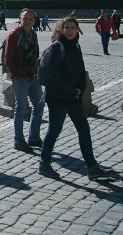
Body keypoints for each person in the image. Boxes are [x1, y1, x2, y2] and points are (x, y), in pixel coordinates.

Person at [38, 16, 108, 180]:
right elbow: (54, 75)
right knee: (54, 131)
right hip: (57, 98)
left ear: (77, 30)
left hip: (73, 98)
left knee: (84, 130)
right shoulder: (57, 47)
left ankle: (91, 166)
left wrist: (81, 89)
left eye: (73, 28)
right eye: (67, 28)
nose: (70, 31)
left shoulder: (76, 46)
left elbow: (81, 70)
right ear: (62, 30)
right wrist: (71, 91)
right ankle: (44, 164)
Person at [5, 8, 44, 152]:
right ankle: (19, 140)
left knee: (39, 105)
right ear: (20, 19)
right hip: (20, 76)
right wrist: (16, 74)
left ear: (34, 21)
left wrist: (36, 70)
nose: (28, 21)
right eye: (25, 18)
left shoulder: (33, 33)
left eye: (30, 19)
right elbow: (8, 58)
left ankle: (34, 137)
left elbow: (36, 53)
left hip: (33, 75)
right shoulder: (13, 35)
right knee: (21, 109)